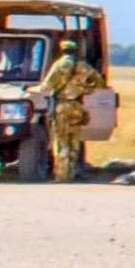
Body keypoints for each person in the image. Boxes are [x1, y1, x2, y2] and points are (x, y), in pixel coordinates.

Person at [35, 38, 104, 180]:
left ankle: (62, 176)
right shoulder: (84, 66)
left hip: (62, 106)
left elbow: (47, 87)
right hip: (77, 106)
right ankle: (72, 173)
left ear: (62, 50)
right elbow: (99, 83)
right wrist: (84, 90)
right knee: (74, 142)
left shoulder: (59, 65)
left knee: (61, 142)